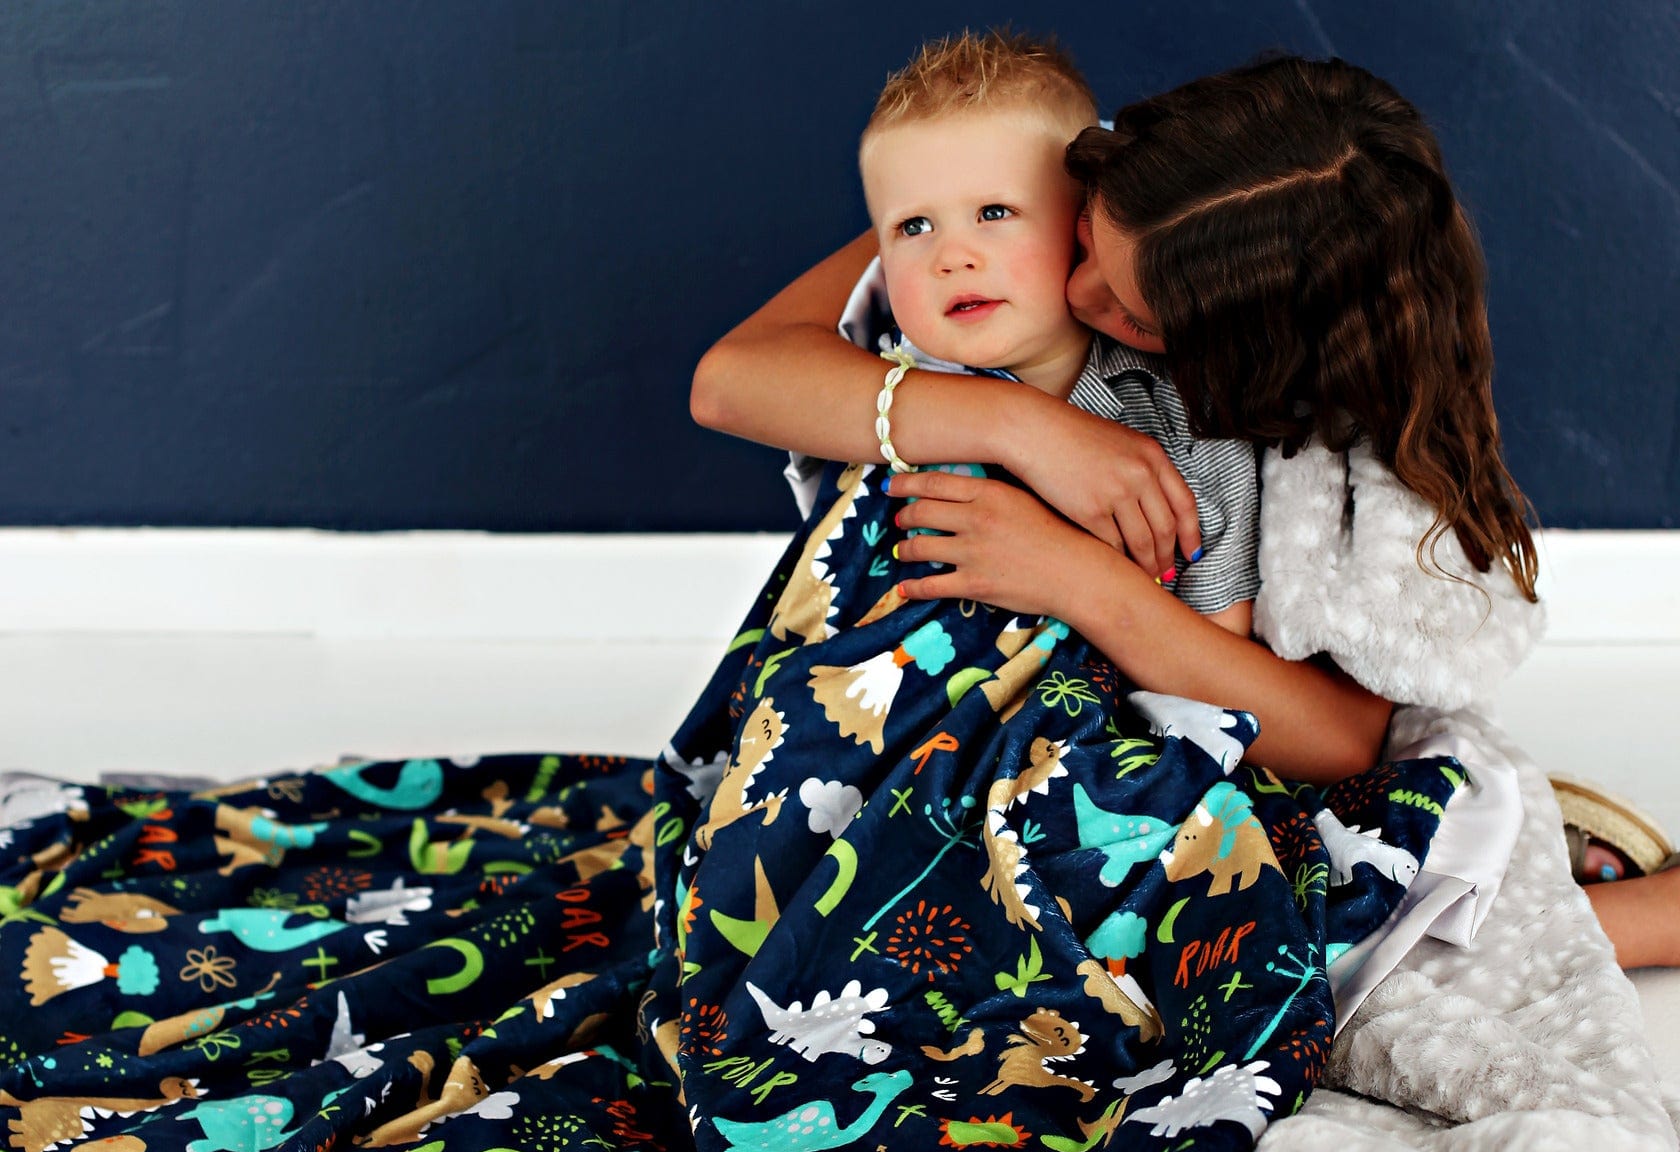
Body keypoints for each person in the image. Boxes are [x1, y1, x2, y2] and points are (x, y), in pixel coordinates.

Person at [692, 51, 1680, 969]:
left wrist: (1071, 574)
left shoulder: (1263, 441)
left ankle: (1593, 913)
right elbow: (731, 381)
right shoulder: (996, 207)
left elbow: (1317, 735)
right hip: (901, 745)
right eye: (1084, 236)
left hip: (1134, 750)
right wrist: (1020, 425)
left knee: (1222, 954)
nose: (1079, 293)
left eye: (1134, 315)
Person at [842, 30, 1258, 628]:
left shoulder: (1188, 425)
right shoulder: (864, 387)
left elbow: (1217, 650)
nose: (951, 258)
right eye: (913, 227)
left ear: (1086, 216)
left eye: (993, 213)